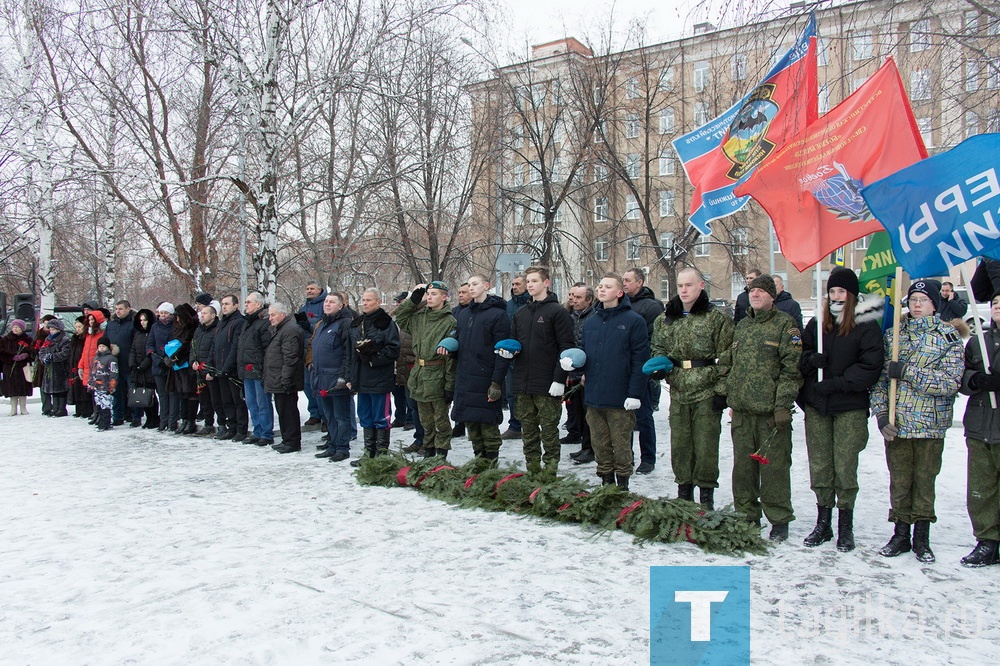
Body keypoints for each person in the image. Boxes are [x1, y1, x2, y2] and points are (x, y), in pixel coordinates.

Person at [871, 279, 964, 563]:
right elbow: (879, 381)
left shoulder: (947, 336)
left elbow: (950, 382)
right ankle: (900, 533)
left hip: (930, 424)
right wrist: (882, 414)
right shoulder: (893, 335)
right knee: (899, 481)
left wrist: (909, 371)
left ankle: (921, 536)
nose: (917, 304)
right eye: (913, 299)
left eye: (923, 300)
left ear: (935, 304)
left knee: (924, 481)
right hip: (898, 423)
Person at [798, 267, 884, 552]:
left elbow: (870, 367)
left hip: (848, 406)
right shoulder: (818, 324)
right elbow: (801, 355)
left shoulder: (866, 325)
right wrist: (812, 361)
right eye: (832, 291)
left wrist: (836, 384)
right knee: (821, 464)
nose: (836, 297)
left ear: (852, 295)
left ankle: (845, 525)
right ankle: (823, 522)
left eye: (841, 292)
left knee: (845, 467)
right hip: (818, 406)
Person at [650, 267, 734, 509]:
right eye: (680, 286)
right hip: (678, 388)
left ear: (701, 286)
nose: (684, 290)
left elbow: (727, 356)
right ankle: (684, 492)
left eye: (689, 285)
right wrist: (660, 366)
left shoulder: (716, 318)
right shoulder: (666, 319)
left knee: (706, 444)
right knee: (681, 443)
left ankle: (706, 495)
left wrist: (721, 389)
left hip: (706, 388)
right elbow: (658, 347)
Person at [727, 274, 802, 542]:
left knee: (774, 469)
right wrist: (732, 399)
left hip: (771, 415)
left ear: (772, 295)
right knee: (743, 471)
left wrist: (782, 405)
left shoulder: (786, 326)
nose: (755, 294)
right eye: (751, 290)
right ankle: (746, 516)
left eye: (760, 291)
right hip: (743, 413)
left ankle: (779, 519)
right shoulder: (743, 326)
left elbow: (791, 370)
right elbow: (733, 367)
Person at [581, 273, 650, 491]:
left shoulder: (633, 321)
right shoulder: (591, 322)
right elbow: (586, 355)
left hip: (621, 397)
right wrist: (575, 367)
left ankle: (622, 485)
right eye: (600, 285)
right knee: (600, 444)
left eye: (608, 286)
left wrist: (634, 393)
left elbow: (640, 359)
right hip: (594, 396)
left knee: (621, 444)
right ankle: (606, 482)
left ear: (619, 293)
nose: (601, 289)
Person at [508, 266, 575, 479]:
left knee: (549, 431)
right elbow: (513, 343)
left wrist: (559, 379)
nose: (529, 285)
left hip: (547, 383)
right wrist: (509, 353)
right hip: (523, 383)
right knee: (528, 432)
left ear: (546, 283)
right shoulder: (520, 314)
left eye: (534, 281)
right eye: (528, 281)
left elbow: (566, 348)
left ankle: (550, 472)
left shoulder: (557, 312)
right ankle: (533, 470)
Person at [958, 289, 1000, 567]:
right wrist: (976, 381)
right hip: (980, 424)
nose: (998, 307)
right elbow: (960, 377)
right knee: (982, 488)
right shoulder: (978, 343)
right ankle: (987, 541)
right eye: (995, 303)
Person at [451, 274, 511, 469]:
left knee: (487, 425)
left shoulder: (497, 314)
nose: (471, 288)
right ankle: (479, 462)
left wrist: (496, 382)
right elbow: (459, 345)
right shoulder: (463, 314)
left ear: (487, 286)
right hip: (466, 377)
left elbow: (502, 352)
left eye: (475, 284)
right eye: (469, 285)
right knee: (472, 424)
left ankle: (491, 466)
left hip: (486, 377)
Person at [394, 282, 457, 459]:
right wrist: (412, 301)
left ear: (444, 297)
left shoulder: (449, 321)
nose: (429, 297)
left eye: (434, 294)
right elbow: (401, 318)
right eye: (428, 294)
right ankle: (428, 452)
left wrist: (449, 385)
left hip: (437, 375)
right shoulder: (420, 317)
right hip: (420, 375)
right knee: (425, 420)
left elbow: (450, 359)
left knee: (441, 421)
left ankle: (441, 455)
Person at [348, 289, 401, 466]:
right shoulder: (357, 323)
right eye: (363, 300)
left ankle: (381, 455)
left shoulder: (386, 323)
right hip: (361, 377)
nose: (365, 303)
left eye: (369, 300)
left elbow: (394, 349)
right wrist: (350, 376)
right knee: (365, 416)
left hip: (379, 377)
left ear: (378, 302)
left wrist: (373, 357)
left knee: (381, 417)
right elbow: (350, 352)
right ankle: (368, 454)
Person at [622, 267, 662, 474]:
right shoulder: (621, 305)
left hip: (642, 368)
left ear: (640, 282)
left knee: (643, 416)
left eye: (628, 280)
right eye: (623, 280)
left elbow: (652, 339)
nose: (625, 283)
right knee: (623, 416)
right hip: (621, 369)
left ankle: (648, 458)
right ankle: (625, 456)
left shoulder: (651, 307)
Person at [310, 293, 354, 462]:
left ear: (341, 305)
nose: (327, 304)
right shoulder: (322, 324)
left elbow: (347, 353)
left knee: (341, 416)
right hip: (322, 378)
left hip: (336, 378)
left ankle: (342, 448)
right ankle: (332, 445)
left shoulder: (345, 323)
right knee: (329, 416)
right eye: (326, 301)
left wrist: (344, 376)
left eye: (332, 302)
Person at [264, 302, 305, 453]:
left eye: (273, 315)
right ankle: (286, 439)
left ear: (283, 314)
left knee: (288, 411)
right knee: (282, 411)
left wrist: (286, 378)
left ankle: (292, 442)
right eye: (269, 315)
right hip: (278, 378)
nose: (270, 318)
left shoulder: (290, 330)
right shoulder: (279, 329)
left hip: (286, 379)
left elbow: (290, 357)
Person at [237, 292, 274, 446]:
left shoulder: (264, 322)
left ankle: (266, 433)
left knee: (262, 403)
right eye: (245, 302)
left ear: (258, 305)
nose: (246, 305)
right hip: (247, 370)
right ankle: (257, 431)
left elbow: (267, 348)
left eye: (249, 302)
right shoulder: (247, 323)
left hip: (258, 369)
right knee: (251, 403)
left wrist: (263, 368)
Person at [565, 283, 595, 463]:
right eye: (573, 297)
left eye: (579, 298)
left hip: (587, 374)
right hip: (573, 372)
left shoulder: (593, 317)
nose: (574, 301)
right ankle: (584, 446)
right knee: (577, 412)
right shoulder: (571, 317)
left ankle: (590, 449)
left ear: (589, 300)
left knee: (588, 414)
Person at [213, 294, 248, 441]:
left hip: (232, 370)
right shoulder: (221, 323)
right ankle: (231, 427)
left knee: (237, 401)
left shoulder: (238, 322)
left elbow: (235, 346)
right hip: (220, 369)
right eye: (223, 304)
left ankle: (241, 429)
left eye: (227, 304)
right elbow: (215, 346)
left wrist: (227, 366)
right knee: (226, 400)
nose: (224, 306)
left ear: (235, 305)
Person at [502, 274, 530, 439]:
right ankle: (514, 426)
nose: (514, 287)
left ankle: (531, 425)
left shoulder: (531, 303)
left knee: (528, 394)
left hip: (530, 356)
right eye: (513, 284)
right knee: (512, 392)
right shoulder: (509, 305)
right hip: (511, 356)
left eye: (518, 284)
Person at [297, 280, 327, 427]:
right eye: (307, 288)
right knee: (308, 386)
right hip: (304, 349)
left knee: (318, 385)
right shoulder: (303, 308)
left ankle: (324, 415)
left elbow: (324, 325)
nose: (309, 291)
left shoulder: (324, 305)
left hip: (317, 350)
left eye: (312, 289)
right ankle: (314, 413)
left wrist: (309, 326)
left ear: (319, 290)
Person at [166, 303, 199, 435]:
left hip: (187, 362)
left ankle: (190, 420)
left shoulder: (192, 327)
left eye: (179, 317)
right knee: (182, 393)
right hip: (178, 364)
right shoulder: (177, 327)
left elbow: (187, 344)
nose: (177, 319)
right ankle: (185, 419)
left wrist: (177, 355)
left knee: (190, 393)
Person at [192, 301, 222, 436]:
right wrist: (193, 361)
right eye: (201, 313)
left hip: (211, 369)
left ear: (213, 315)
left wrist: (210, 367)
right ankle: (208, 424)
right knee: (204, 401)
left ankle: (222, 424)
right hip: (199, 370)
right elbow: (193, 347)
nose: (202, 316)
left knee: (216, 399)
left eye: (205, 313)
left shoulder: (218, 329)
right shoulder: (199, 330)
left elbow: (215, 349)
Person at [105, 300, 136, 426]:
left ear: (128, 309)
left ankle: (135, 416)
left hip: (128, 362)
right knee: (116, 391)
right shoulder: (111, 324)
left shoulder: (133, 324)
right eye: (116, 309)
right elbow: (105, 341)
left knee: (131, 391)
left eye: (121, 309)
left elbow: (136, 343)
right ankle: (118, 416)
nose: (118, 311)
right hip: (114, 364)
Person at [128, 309, 159, 428]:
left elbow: (152, 351)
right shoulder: (138, 334)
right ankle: (149, 418)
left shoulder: (152, 332)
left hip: (148, 368)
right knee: (142, 395)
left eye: (145, 320)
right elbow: (133, 350)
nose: (142, 323)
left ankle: (154, 418)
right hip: (138, 369)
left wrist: (143, 365)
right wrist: (133, 364)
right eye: (141, 320)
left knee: (150, 394)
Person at [79, 309, 108, 425]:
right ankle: (95, 412)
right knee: (92, 391)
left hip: (98, 366)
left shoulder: (102, 333)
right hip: (88, 365)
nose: (90, 322)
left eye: (93, 320)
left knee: (99, 391)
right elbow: (85, 351)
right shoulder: (89, 334)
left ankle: (100, 413)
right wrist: (80, 365)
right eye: (89, 320)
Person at [38, 318, 72, 417]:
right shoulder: (48, 339)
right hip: (49, 368)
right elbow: (42, 350)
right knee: (52, 389)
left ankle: (61, 408)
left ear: (59, 329)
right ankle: (55, 408)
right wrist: (44, 358)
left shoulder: (64, 339)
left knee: (60, 389)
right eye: (50, 329)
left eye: (53, 329)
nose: (51, 331)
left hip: (60, 368)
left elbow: (65, 353)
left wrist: (53, 356)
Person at [1, 319, 36, 415]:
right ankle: (13, 408)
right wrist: (12, 356)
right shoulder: (5, 339)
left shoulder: (28, 339)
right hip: (10, 367)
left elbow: (33, 351)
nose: (15, 329)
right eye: (14, 327)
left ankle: (23, 407)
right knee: (12, 388)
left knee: (23, 387)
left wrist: (26, 355)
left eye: (17, 327)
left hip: (23, 367)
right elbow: (1, 352)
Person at [88, 335, 118, 431]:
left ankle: (106, 422)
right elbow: (92, 372)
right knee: (99, 404)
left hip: (106, 386)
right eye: (100, 346)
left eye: (103, 346)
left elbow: (114, 373)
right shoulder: (96, 358)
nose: (101, 348)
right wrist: (90, 383)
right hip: (97, 386)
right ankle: (101, 421)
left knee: (106, 405)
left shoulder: (112, 359)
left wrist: (112, 386)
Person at [68, 317, 93, 419]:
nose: (77, 329)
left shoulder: (86, 338)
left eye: (80, 327)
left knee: (84, 389)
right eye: (76, 327)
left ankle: (86, 410)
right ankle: (78, 409)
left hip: (83, 364)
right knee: (76, 387)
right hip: (74, 365)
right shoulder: (75, 338)